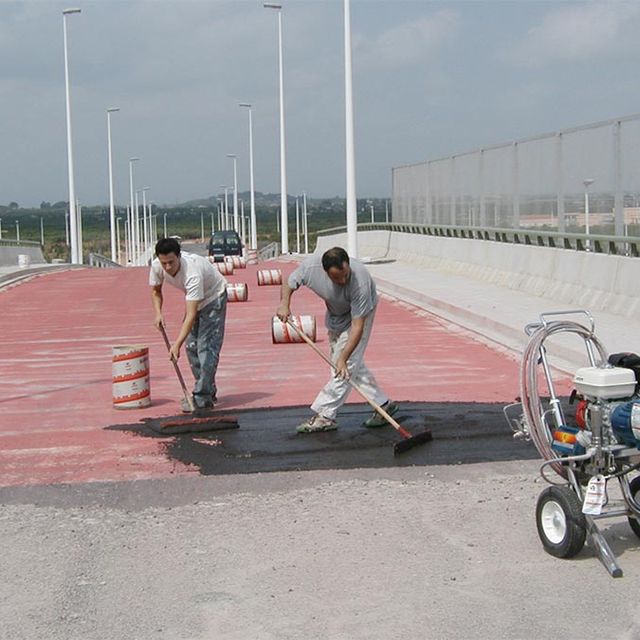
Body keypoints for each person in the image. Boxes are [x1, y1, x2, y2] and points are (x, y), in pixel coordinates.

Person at [276, 246, 397, 433]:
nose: (342, 280)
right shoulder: (310, 268)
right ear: (325, 273)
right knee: (347, 365)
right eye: (336, 278)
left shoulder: (360, 282)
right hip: (336, 313)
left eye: (345, 275)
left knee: (344, 365)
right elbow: (289, 282)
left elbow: (357, 327)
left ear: (347, 265)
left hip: (361, 313)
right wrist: (284, 304)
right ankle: (383, 404)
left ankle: (325, 415)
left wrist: (343, 357)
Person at [149, 237, 227, 412]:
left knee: (206, 347)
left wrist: (176, 344)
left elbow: (191, 314)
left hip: (213, 297)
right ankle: (207, 389)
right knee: (191, 347)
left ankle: (201, 396)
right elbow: (156, 291)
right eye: (164, 263)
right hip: (196, 300)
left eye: (171, 262)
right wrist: (158, 313)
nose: (167, 268)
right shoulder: (157, 266)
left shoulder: (192, 272)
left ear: (179, 257)